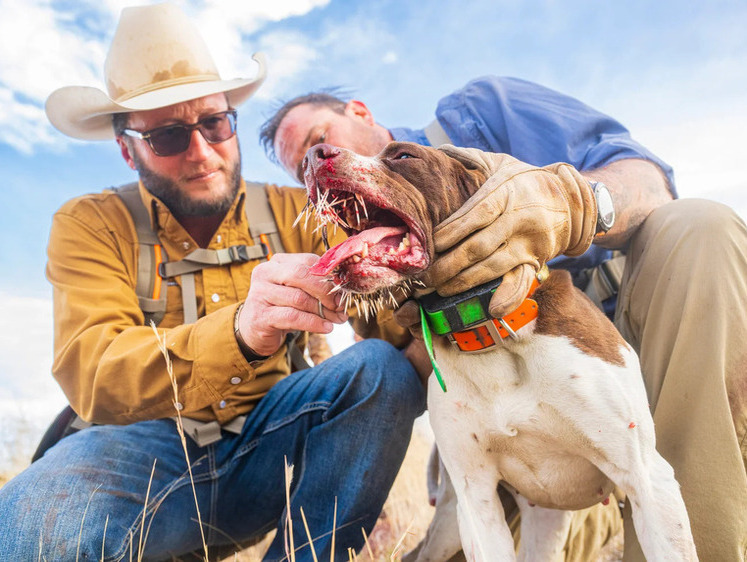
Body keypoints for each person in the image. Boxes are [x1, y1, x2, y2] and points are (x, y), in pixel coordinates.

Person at [0, 4, 425, 561]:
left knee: (377, 370)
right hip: (145, 456)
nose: (202, 153)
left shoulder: (300, 210)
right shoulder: (90, 224)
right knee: (31, 525)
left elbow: (396, 324)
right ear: (128, 150)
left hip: (276, 444)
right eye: (170, 136)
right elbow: (94, 367)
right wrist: (243, 333)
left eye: (214, 124)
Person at [260, 82, 747, 561]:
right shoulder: (366, 249)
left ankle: (697, 532)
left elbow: (649, 181)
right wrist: (439, 312)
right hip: (515, 424)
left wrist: (568, 201)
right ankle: (593, 518)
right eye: (301, 166)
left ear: (361, 113)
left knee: (699, 226)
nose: (317, 163)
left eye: (318, 139)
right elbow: (403, 374)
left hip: (640, 323)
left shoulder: (479, 113)